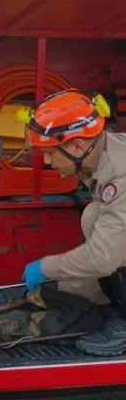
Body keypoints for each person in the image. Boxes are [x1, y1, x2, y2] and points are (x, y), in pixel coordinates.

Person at [20, 89, 126, 354]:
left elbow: (103, 257)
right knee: (94, 215)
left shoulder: (121, 177)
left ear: (78, 146)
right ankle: (109, 304)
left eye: (50, 153)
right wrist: (73, 286)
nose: (46, 162)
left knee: (106, 243)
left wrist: (46, 268)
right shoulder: (105, 150)